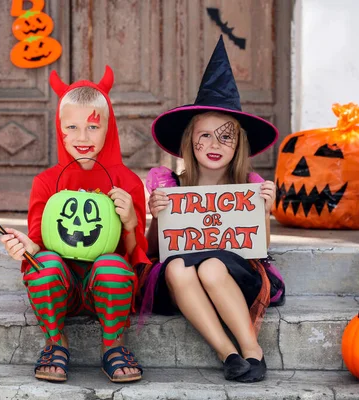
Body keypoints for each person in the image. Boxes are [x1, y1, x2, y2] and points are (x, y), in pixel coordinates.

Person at [139, 36, 278, 383]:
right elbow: (156, 249)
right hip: (182, 279)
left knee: (213, 265)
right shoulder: (168, 183)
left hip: (232, 274)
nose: (214, 145)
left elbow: (259, 247)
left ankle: (250, 348)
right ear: (190, 140)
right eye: (206, 136)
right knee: (178, 268)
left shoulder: (249, 185)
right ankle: (226, 352)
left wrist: (264, 212)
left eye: (226, 137)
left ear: (238, 145)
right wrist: (158, 217)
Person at [0, 66, 149, 383]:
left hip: (104, 289)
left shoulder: (128, 182)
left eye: (93, 127)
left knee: (111, 264)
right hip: (63, 287)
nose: (83, 137)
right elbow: (39, 242)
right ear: (60, 129)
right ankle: (56, 341)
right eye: (72, 127)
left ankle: (113, 345)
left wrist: (132, 222)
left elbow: (135, 254)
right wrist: (27, 246)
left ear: (108, 128)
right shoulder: (46, 182)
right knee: (44, 264)